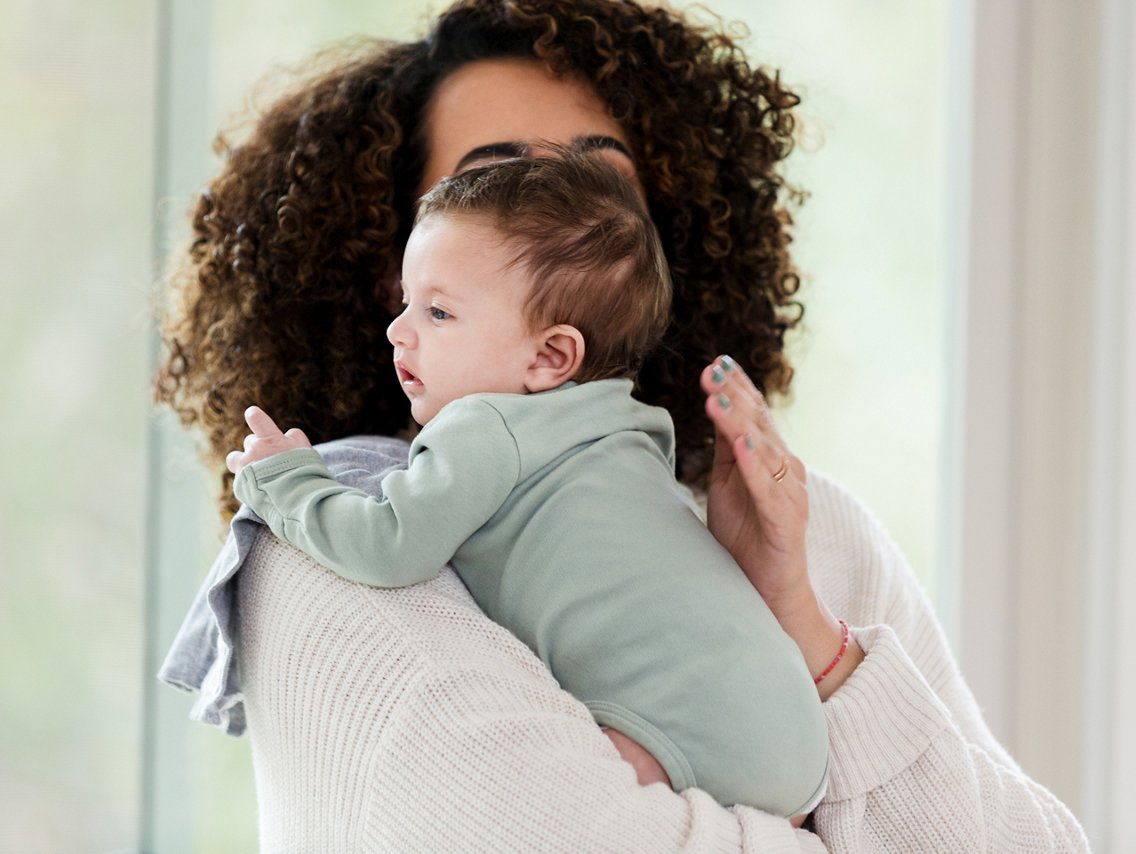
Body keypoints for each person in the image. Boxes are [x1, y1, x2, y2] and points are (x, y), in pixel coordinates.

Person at [156, 0, 1090, 849]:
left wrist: (803, 625)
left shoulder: (811, 532)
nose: (567, 212)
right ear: (393, 260)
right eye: (500, 187)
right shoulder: (317, 544)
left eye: (603, 189)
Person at [224, 152, 830, 819]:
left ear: (549, 357)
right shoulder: (633, 427)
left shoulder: (486, 424)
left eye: (439, 313)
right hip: (793, 726)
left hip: (675, 725)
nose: (399, 333)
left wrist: (286, 482)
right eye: (407, 304)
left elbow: (388, 545)